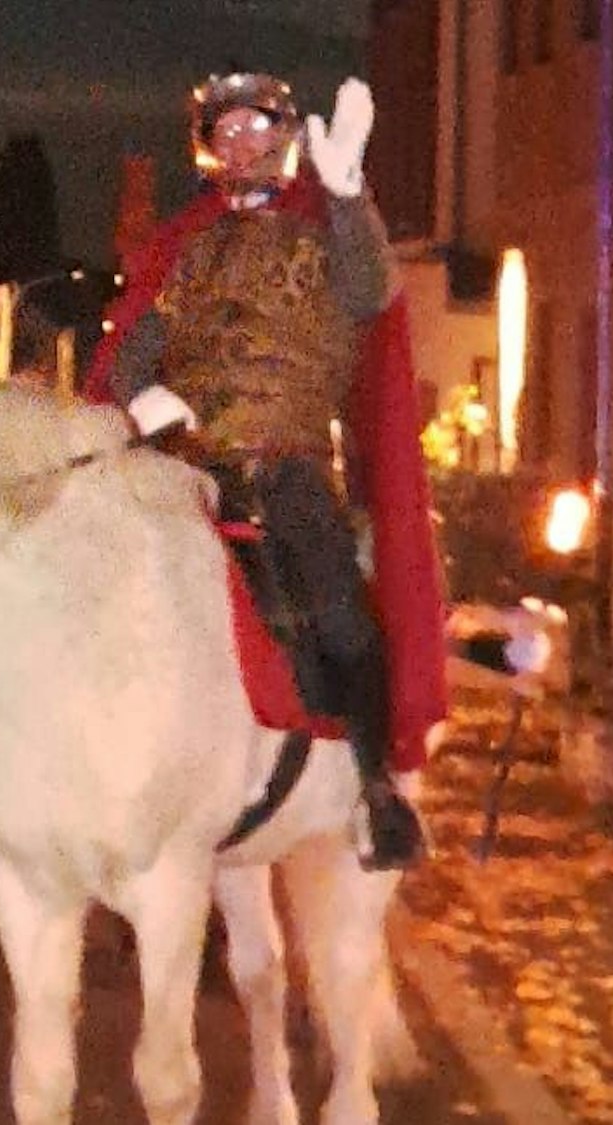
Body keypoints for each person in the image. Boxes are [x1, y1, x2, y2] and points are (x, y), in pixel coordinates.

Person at [84, 73, 447, 871]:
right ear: (209, 150)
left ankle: (375, 790)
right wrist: (141, 397)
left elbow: (369, 290)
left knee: (339, 615)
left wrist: (349, 191)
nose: (242, 143)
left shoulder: (326, 231)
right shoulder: (184, 248)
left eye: (256, 128)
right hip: (188, 470)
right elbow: (129, 352)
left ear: (285, 138)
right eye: (228, 133)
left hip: (288, 472)